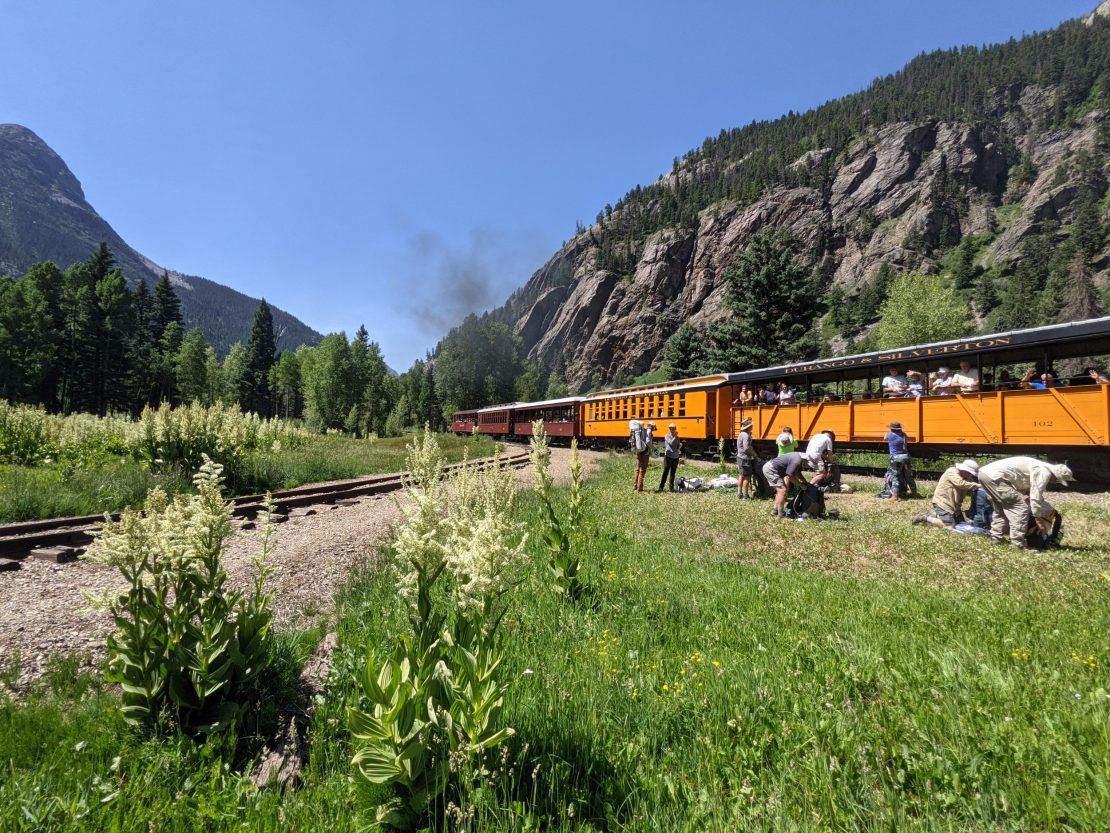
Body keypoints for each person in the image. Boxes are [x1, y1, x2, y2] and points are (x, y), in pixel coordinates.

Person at [976, 456, 1074, 548]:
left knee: (1001, 510)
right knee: (1020, 508)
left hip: (985, 474)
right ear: (1055, 476)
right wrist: (1038, 519)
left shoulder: (1041, 466)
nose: (1054, 482)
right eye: (1057, 480)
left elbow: (1021, 481)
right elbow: (1035, 498)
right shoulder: (1044, 472)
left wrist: (1030, 495)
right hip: (996, 477)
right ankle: (1017, 544)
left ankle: (996, 539)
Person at [913, 459, 979, 528]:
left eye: (971, 474)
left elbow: (970, 491)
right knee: (950, 527)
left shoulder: (968, 479)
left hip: (955, 508)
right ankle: (924, 517)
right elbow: (960, 484)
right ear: (963, 469)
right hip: (943, 503)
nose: (970, 476)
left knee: (960, 525)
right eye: (969, 473)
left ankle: (936, 515)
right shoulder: (952, 471)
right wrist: (980, 485)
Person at [762, 451, 809, 518]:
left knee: (781, 491)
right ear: (806, 460)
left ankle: (775, 511)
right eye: (808, 464)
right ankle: (780, 514)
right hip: (771, 469)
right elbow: (789, 477)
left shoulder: (799, 459)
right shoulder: (797, 461)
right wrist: (801, 485)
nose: (808, 466)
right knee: (782, 491)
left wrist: (805, 481)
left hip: (772, 468)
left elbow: (797, 473)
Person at [883, 421, 915, 501]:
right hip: (906, 456)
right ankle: (915, 494)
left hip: (896, 458)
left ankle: (895, 496)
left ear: (892, 429)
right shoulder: (904, 435)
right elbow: (905, 445)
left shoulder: (889, 434)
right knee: (908, 476)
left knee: (895, 477)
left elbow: (884, 438)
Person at [736, 416, 757, 499]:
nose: (752, 426)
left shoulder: (741, 434)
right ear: (749, 427)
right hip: (745, 458)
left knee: (741, 475)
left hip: (740, 457)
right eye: (751, 425)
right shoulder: (746, 435)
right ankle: (745, 495)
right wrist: (754, 455)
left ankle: (739, 493)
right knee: (747, 477)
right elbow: (747, 448)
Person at [657, 423, 682, 492]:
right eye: (670, 428)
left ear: (675, 428)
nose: (671, 429)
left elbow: (676, 447)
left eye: (673, 428)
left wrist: (679, 446)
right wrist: (675, 436)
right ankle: (661, 487)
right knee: (665, 472)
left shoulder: (677, 437)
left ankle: (671, 488)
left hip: (675, 457)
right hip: (668, 456)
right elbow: (671, 443)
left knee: (673, 473)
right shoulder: (667, 436)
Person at [632, 421, 655, 493]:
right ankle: (640, 488)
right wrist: (654, 448)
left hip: (639, 452)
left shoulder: (642, 430)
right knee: (642, 470)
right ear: (651, 426)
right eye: (654, 427)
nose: (654, 429)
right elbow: (648, 441)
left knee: (638, 469)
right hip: (645, 453)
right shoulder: (649, 432)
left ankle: (635, 486)